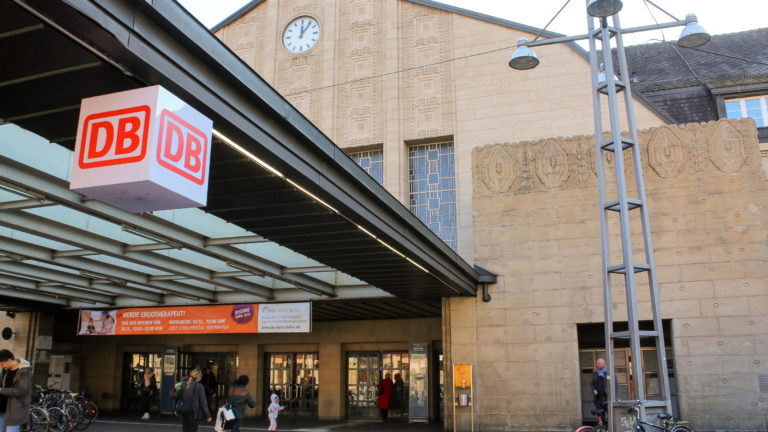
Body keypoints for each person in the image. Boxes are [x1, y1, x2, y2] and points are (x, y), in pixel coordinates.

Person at [0, 350, 31, 432]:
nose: (1, 366)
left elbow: (22, 390)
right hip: (2, 408)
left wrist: (2, 390)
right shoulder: (5, 370)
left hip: (15, 409)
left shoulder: (24, 371)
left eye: (2, 364)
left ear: (9, 361)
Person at [591, 357, 608, 423]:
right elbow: (592, 384)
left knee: (611, 417)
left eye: (598, 363)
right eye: (596, 363)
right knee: (601, 418)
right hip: (599, 400)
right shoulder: (595, 373)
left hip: (607, 399)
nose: (597, 365)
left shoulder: (608, 373)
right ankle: (602, 429)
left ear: (604, 364)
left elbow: (614, 385)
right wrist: (593, 390)